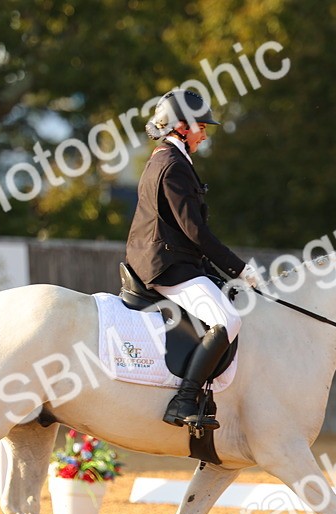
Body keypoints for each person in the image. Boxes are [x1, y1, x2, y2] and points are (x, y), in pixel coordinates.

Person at [124, 89, 259, 431]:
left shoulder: (172, 159)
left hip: (178, 261)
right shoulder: (171, 165)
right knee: (228, 320)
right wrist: (239, 269)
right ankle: (184, 400)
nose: (205, 132)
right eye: (202, 126)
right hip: (167, 266)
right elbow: (195, 231)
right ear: (182, 126)